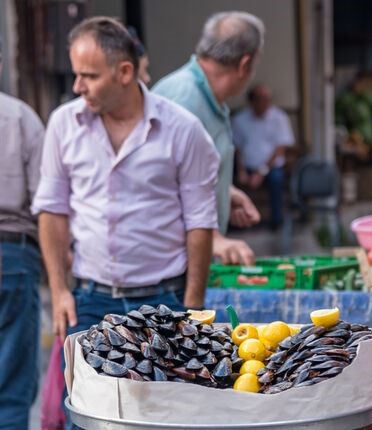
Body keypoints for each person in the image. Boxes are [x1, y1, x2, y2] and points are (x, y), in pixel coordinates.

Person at [33, 14, 219, 355]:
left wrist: (191, 306)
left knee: (167, 404)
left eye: (89, 76)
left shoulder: (183, 130)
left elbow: (200, 221)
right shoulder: (63, 124)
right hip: (89, 300)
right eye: (76, 74)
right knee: (90, 406)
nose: (78, 87)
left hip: (166, 300)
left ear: (124, 73)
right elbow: (52, 210)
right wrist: (59, 291)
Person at [153, 11, 263, 265]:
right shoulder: (184, 100)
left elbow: (193, 172)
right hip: (169, 266)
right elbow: (164, 183)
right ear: (245, 64)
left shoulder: (207, 97)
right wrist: (212, 237)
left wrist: (226, 192)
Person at [0, 36, 45, 429]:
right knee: (12, 382)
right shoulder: (19, 116)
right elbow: (45, 201)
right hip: (12, 254)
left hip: (13, 254)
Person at [233, 83, 294, 230]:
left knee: (276, 179)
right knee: (230, 183)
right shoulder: (240, 119)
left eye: (267, 99)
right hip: (247, 166)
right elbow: (236, 147)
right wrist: (241, 170)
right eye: (261, 99)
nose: (265, 103)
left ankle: (276, 222)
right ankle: (239, 222)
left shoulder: (279, 117)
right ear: (252, 101)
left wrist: (261, 171)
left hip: (271, 167)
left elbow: (280, 149)